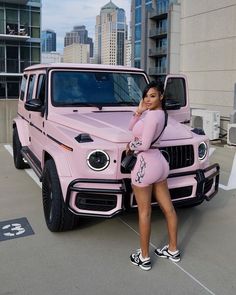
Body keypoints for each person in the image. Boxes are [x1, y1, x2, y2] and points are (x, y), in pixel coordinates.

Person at [127, 81, 180, 271]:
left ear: (161, 97)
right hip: (160, 164)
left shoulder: (152, 117)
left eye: (153, 96)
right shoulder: (160, 114)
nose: (148, 99)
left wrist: (130, 146)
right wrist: (139, 111)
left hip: (145, 165)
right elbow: (131, 127)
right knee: (169, 209)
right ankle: (173, 249)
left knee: (144, 212)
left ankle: (144, 257)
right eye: (146, 95)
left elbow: (144, 143)